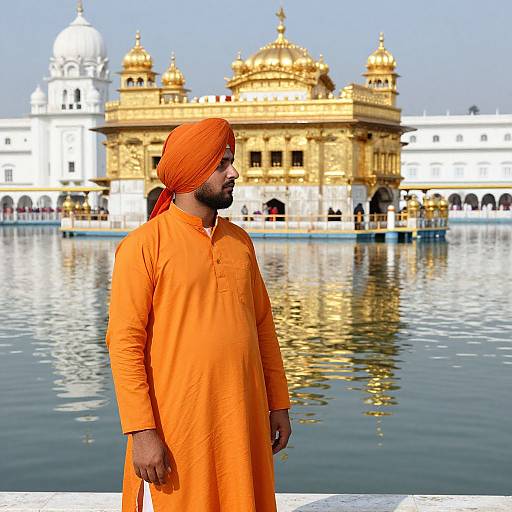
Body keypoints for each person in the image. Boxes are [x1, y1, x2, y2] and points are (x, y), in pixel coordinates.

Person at [106, 118, 292, 512]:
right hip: (179, 425)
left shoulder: (239, 242)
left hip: (242, 416)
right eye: (223, 164)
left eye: (232, 162)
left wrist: (279, 404)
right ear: (192, 171)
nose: (234, 172)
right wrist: (142, 433)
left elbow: (263, 330)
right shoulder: (144, 247)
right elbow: (124, 346)